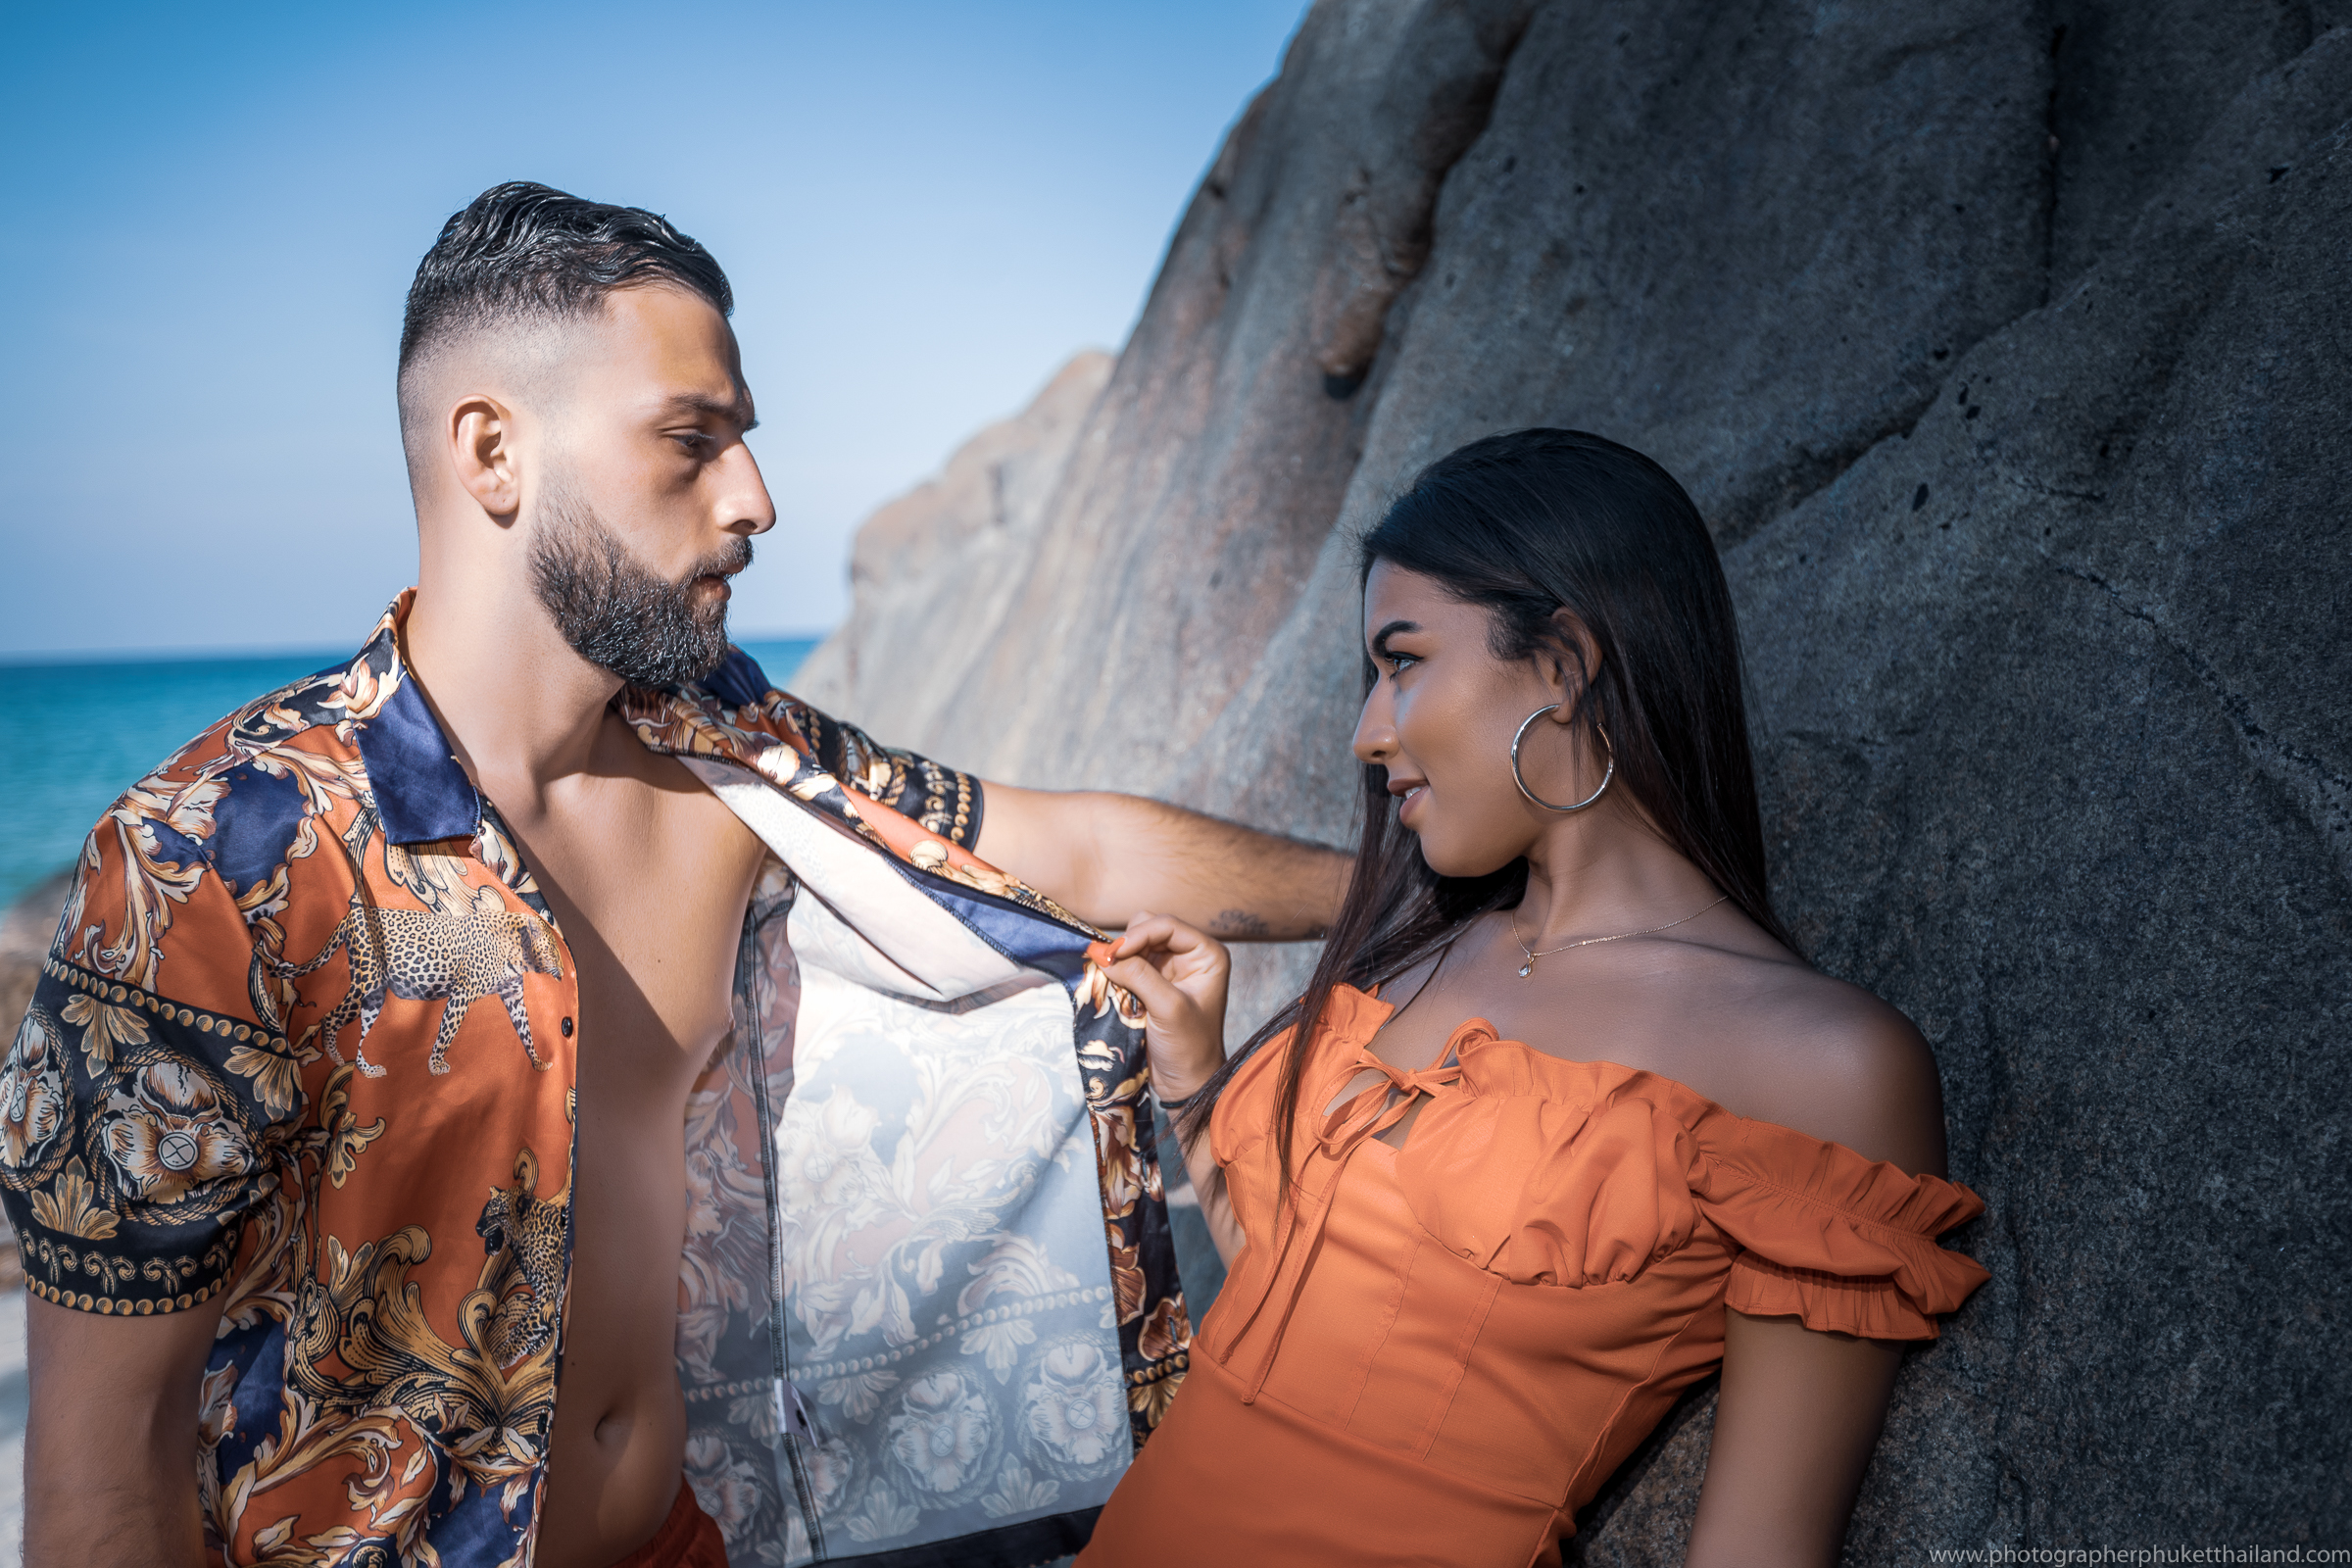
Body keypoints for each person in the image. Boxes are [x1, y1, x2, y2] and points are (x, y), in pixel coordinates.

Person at [0, 183, 1346, 1568]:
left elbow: (1061, 848)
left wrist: (1407, 898)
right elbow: (104, 1477)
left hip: (702, 1536)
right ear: (492, 451)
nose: (755, 498)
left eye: (742, 442)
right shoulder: (211, 864)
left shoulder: (731, 754)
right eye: (691, 442)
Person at [1084, 428, 1992, 1567]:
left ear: (1564, 662)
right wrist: (1197, 1084)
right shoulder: (1411, 962)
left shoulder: (1822, 1067)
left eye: (1401, 661)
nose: (1369, 732)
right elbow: (1296, 1308)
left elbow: (1761, 1550)